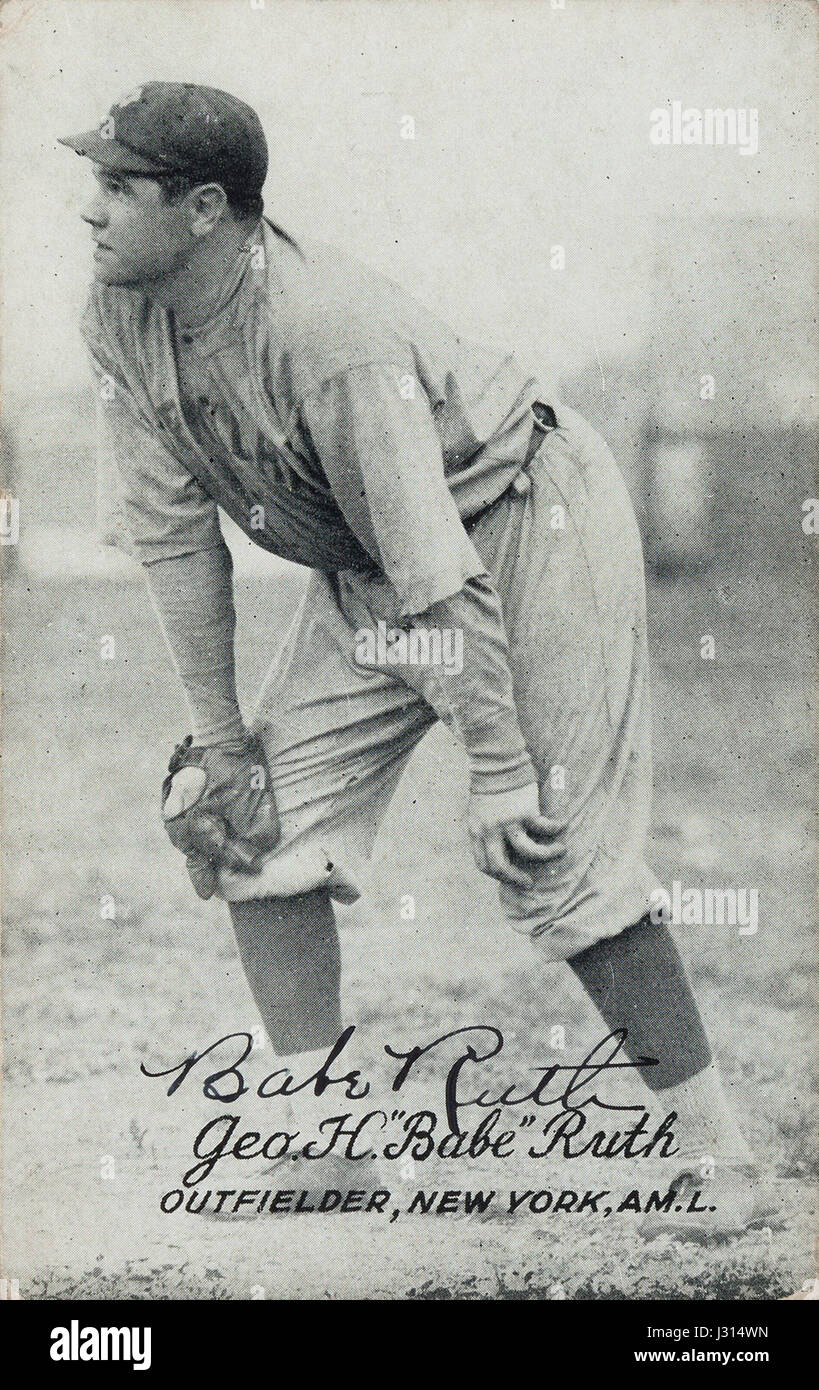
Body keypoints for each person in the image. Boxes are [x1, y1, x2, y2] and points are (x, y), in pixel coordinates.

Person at [62, 82, 772, 1236]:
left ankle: (720, 1164)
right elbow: (175, 539)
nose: (88, 211)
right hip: (379, 552)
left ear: (202, 209)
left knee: (553, 851)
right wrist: (226, 741)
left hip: (522, 517)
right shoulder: (120, 315)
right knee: (250, 823)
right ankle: (322, 1151)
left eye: (116, 187)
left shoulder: (326, 333)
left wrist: (495, 761)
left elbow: (441, 577)